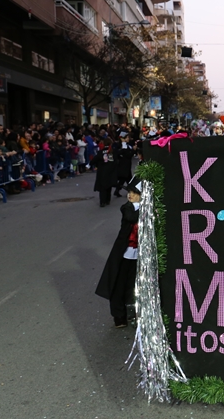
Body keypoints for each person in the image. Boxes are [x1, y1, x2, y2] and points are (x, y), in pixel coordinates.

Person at [96, 176, 142, 327]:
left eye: (135, 193)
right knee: (118, 284)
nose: (131, 195)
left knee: (132, 286)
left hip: (138, 255)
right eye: (130, 192)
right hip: (123, 253)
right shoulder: (127, 208)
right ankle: (118, 316)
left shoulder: (145, 208)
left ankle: (131, 313)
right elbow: (131, 217)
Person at [92, 137, 118, 207]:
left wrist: (90, 165)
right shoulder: (113, 151)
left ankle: (102, 202)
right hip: (110, 171)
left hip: (102, 172)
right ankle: (107, 200)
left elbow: (94, 160)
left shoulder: (100, 152)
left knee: (102, 188)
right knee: (109, 186)